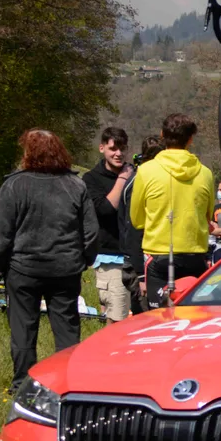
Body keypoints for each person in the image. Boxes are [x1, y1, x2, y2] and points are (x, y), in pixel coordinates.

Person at [0, 129, 98, 390]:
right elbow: (91, 232)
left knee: (23, 330)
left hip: (23, 270)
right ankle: (68, 384)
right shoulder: (75, 185)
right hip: (65, 269)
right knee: (67, 330)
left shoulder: (14, 185)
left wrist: (0, 263)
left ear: (28, 153)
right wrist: (85, 260)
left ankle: (22, 385)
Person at [130, 113, 216, 308]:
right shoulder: (206, 173)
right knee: (193, 319)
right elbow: (207, 215)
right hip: (195, 255)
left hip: (160, 254)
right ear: (191, 139)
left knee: (159, 320)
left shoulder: (146, 171)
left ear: (162, 135)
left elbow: (137, 220)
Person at [81, 127, 133, 322]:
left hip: (136, 256)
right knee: (117, 317)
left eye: (122, 148)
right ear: (102, 148)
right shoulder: (91, 179)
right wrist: (122, 180)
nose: (118, 154)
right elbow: (104, 209)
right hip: (110, 257)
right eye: (113, 148)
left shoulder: (135, 174)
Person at [118, 135, 165, 314]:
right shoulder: (139, 182)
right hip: (141, 264)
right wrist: (141, 275)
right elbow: (133, 230)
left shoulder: (149, 180)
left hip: (153, 261)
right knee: (146, 317)